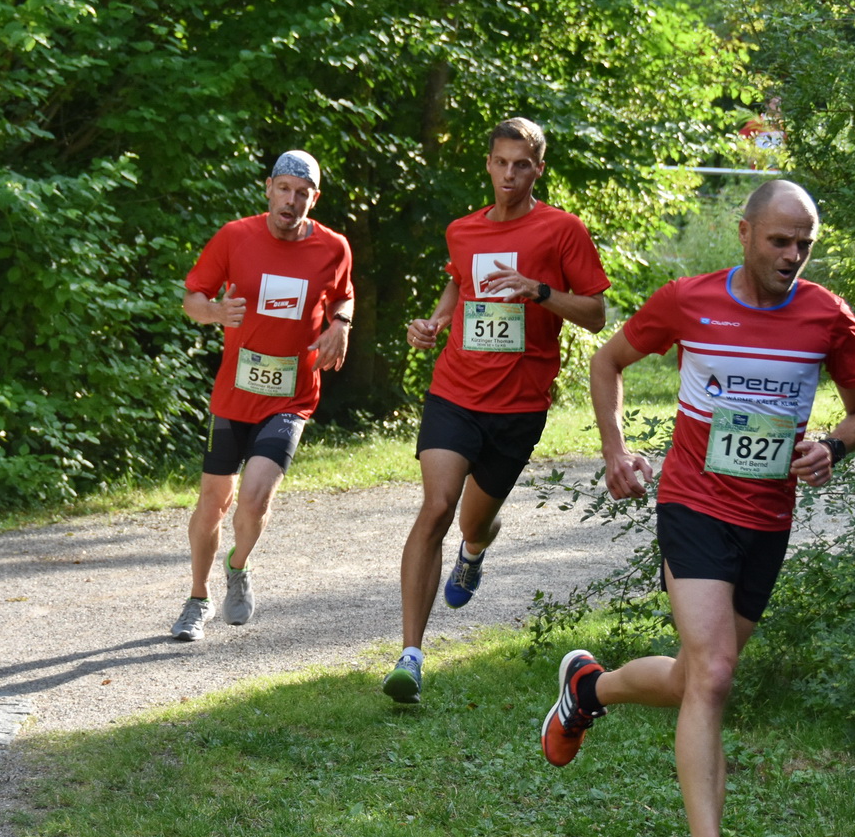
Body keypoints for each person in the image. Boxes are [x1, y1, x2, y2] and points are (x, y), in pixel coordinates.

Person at [539, 179, 855, 837]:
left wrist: (830, 447)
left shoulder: (827, 317)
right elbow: (607, 361)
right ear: (745, 232)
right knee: (718, 673)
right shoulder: (688, 300)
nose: (793, 255)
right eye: (779, 241)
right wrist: (615, 450)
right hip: (693, 504)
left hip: (768, 518)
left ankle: (588, 690)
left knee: (698, 674)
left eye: (805, 244)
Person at [383, 118, 609, 702]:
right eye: (501, 162)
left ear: (538, 168)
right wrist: (435, 322)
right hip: (455, 390)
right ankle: (411, 654)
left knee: (472, 520)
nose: (510, 175)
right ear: (488, 163)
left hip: (519, 403)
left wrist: (538, 291)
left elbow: (595, 313)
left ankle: (476, 548)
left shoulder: (562, 230)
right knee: (436, 506)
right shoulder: (463, 231)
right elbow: (458, 286)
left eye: (523, 165)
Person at [169, 150, 354, 641]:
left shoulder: (333, 247)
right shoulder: (234, 237)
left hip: (291, 397)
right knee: (214, 502)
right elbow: (193, 299)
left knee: (254, 497)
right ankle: (196, 598)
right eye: (285, 189)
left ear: (314, 199)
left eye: (303, 193)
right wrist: (214, 314)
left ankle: (239, 564)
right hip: (233, 396)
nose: (292, 201)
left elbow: (343, 293)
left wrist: (342, 323)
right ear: (268, 187)